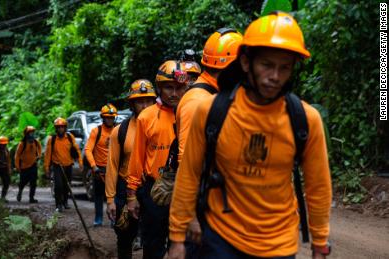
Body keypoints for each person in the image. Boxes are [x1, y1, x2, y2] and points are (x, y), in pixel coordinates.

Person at [168, 12, 332, 259]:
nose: (275, 76)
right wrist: (177, 237)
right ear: (246, 63)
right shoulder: (211, 111)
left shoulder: (305, 120)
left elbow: (318, 186)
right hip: (221, 240)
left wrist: (320, 244)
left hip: (279, 245)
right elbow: (189, 173)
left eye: (284, 67)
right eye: (267, 64)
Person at [174, 28, 243, 258]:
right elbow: (187, 163)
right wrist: (190, 215)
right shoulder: (198, 102)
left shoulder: (213, 96)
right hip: (201, 211)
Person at [126, 60, 189, 259]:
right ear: (159, 87)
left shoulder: (191, 113)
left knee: (181, 248)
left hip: (184, 191)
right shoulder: (146, 117)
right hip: (154, 191)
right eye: (169, 87)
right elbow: (137, 158)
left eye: (179, 88)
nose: (174, 93)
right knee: (153, 246)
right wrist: (131, 196)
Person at [105, 79, 156, 258]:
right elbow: (111, 165)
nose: (144, 105)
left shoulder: (161, 126)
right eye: (139, 101)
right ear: (132, 104)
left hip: (151, 188)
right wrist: (110, 199)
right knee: (125, 235)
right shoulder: (120, 131)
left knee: (152, 238)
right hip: (124, 188)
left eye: (148, 101)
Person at [85, 103, 118, 226]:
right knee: (99, 195)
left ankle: (113, 218)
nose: (109, 119)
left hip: (114, 168)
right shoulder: (96, 131)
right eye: (107, 117)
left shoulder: (118, 130)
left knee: (114, 195)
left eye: (111, 117)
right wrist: (94, 166)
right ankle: (98, 218)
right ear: (103, 117)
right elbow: (88, 149)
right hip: (99, 169)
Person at [44, 117, 83, 212]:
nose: (60, 129)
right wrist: (47, 167)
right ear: (56, 128)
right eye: (58, 127)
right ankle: (58, 204)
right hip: (57, 166)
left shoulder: (70, 137)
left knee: (67, 185)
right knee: (58, 185)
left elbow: (77, 150)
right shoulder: (52, 139)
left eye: (62, 127)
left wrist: (80, 162)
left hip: (68, 165)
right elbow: (48, 154)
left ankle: (65, 201)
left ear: (65, 128)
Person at [15, 126, 42, 203]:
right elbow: (17, 155)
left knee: (33, 182)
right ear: (26, 134)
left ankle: (31, 198)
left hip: (33, 165)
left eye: (33, 132)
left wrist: (39, 155)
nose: (32, 134)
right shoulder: (22, 144)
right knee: (23, 182)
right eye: (30, 133)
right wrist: (17, 166)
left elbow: (40, 148)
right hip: (24, 166)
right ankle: (20, 192)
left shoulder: (36, 142)